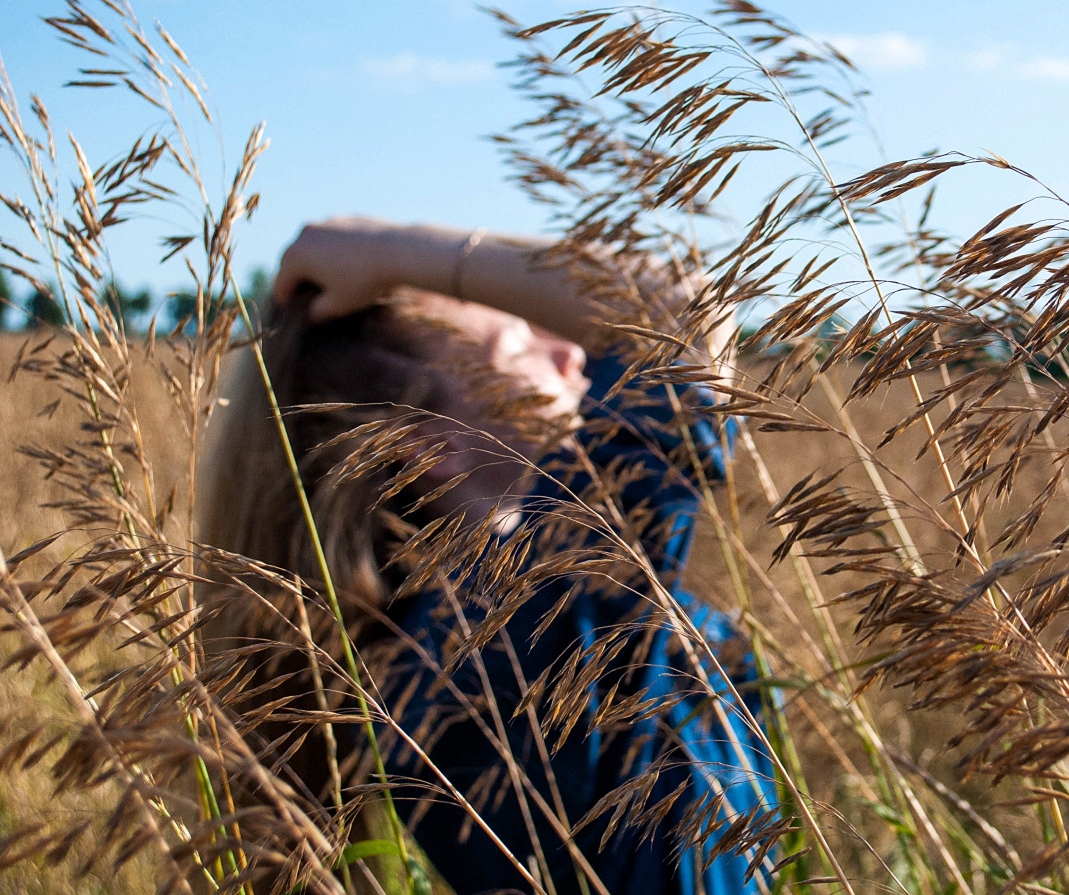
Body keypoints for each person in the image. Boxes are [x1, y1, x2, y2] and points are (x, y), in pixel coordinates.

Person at [200, 218, 775, 895]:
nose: (573, 353)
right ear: (426, 441)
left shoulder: (478, 619)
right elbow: (677, 308)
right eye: (519, 339)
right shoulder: (499, 635)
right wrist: (389, 250)